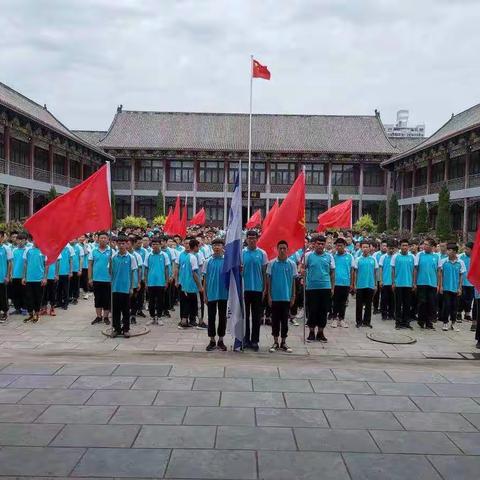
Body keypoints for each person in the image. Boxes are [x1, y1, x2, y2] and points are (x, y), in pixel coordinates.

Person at [266, 240, 297, 353]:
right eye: (280, 248)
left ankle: (283, 342)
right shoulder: (272, 263)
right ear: (277, 249)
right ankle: (275, 342)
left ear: (287, 249)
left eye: (284, 248)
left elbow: (293, 281)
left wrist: (293, 296)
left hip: (286, 297)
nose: (282, 250)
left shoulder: (292, 264)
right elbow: (268, 281)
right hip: (275, 297)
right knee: (275, 321)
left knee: (285, 321)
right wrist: (269, 295)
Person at [304, 235, 335, 342]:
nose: (320, 246)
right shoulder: (308, 256)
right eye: (318, 244)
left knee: (323, 311)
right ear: (314, 244)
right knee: (312, 310)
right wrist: (302, 271)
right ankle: (311, 332)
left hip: (325, 287)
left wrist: (332, 287)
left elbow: (332, 273)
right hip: (311, 288)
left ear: (325, 245)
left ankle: (320, 333)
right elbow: (302, 267)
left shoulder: (329, 257)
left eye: (322, 244)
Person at [242, 230, 268, 350]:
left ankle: (255, 340)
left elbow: (264, 272)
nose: (252, 240)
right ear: (246, 239)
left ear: (257, 239)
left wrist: (265, 289)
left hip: (258, 289)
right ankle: (245, 339)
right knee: (245, 316)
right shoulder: (242, 253)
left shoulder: (262, 253)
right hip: (245, 289)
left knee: (256, 316)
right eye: (249, 238)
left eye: (254, 238)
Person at [204, 238, 229, 351]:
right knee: (211, 318)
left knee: (223, 318)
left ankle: (221, 340)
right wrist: (205, 294)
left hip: (224, 294)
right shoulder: (207, 261)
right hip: (211, 294)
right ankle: (212, 340)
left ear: (222, 247)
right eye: (215, 245)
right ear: (212, 247)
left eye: (219, 245)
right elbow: (205, 280)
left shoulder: (227, 261)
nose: (217, 247)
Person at [111, 235, 137, 338]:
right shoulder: (113, 257)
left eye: (123, 243)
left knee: (126, 310)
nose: (121, 245)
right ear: (116, 244)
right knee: (116, 310)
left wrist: (131, 287)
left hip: (126, 288)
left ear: (127, 244)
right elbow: (110, 272)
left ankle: (126, 329)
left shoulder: (131, 257)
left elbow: (132, 273)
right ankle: (116, 329)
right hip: (115, 288)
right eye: (119, 244)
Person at [175, 238, 203, 329]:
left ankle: (185, 322)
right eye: (198, 246)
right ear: (195, 247)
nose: (199, 248)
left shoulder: (187, 256)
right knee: (195, 304)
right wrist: (200, 286)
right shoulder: (193, 257)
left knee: (188, 303)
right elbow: (194, 273)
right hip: (191, 285)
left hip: (185, 284)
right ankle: (198, 322)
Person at [438, 243, 465, 332]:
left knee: (455, 307)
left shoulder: (460, 262)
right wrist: (440, 285)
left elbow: (461, 276)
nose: (447, 252)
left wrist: (460, 288)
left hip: (456, 288)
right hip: (446, 288)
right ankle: (445, 322)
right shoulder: (443, 261)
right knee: (446, 305)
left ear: (455, 252)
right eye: (447, 250)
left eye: (449, 250)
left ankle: (453, 323)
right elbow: (440, 274)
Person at [144, 236, 170, 326]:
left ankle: (159, 317)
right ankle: (152, 317)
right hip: (151, 282)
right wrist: (146, 282)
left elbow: (167, 269)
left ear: (160, 245)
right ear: (151, 245)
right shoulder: (148, 255)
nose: (155, 246)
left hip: (161, 282)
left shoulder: (164, 255)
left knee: (160, 301)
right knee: (151, 301)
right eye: (154, 244)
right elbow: (146, 269)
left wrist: (167, 281)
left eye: (157, 244)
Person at [414, 238, 439, 330]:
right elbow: (416, 269)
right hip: (421, 283)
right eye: (424, 244)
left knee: (431, 303)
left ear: (432, 247)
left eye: (427, 244)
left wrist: (438, 284)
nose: (424, 246)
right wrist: (415, 282)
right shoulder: (419, 255)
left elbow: (439, 271)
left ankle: (429, 322)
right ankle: (421, 321)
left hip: (432, 283)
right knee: (422, 302)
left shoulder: (436, 256)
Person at [352, 240, 378, 328]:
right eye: (364, 247)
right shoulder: (358, 259)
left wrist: (375, 285)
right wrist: (354, 285)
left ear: (370, 248)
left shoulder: (373, 259)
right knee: (359, 304)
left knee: (368, 305)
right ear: (361, 248)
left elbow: (375, 273)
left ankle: (367, 322)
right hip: (360, 285)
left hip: (370, 285)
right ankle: (358, 322)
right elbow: (355, 272)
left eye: (367, 247)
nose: (365, 249)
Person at [88, 231, 112, 325]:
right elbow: (90, 265)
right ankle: (98, 316)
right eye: (101, 238)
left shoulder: (111, 251)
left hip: (108, 279)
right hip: (96, 279)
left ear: (108, 240)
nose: (103, 239)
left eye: (105, 238)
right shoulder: (93, 251)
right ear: (98, 239)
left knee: (107, 299)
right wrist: (90, 278)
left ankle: (106, 317)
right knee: (97, 298)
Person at [391, 239, 415, 329]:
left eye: (406, 245)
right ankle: (398, 322)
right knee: (398, 304)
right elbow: (392, 270)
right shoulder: (395, 256)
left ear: (408, 247)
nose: (405, 247)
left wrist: (413, 282)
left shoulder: (412, 257)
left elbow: (414, 270)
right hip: (398, 284)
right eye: (403, 245)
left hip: (408, 284)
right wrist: (393, 282)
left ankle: (406, 322)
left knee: (407, 304)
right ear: (400, 246)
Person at [22, 241, 47, 323]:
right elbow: (25, 264)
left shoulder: (44, 250)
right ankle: (30, 314)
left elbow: (46, 265)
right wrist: (24, 277)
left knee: (38, 297)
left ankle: (37, 314)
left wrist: (45, 278)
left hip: (39, 279)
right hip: (29, 279)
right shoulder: (28, 250)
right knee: (29, 297)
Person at [332, 237, 354, 328]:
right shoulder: (333, 256)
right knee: (335, 302)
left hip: (345, 283)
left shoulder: (350, 256)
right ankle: (334, 319)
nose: (339, 247)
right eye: (337, 246)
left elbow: (352, 270)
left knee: (343, 302)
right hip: (335, 283)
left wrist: (352, 283)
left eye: (341, 245)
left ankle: (342, 319)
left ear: (345, 246)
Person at [10, 233, 26, 315]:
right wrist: (11, 274)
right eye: (19, 240)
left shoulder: (27, 250)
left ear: (25, 241)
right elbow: (12, 263)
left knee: (24, 293)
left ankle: (24, 308)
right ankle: (17, 308)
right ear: (16, 241)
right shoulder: (14, 250)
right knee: (15, 293)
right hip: (15, 275)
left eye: (22, 240)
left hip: (23, 276)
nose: (20, 242)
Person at [379, 241, 395, 321]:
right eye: (390, 248)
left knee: (393, 300)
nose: (391, 250)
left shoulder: (396, 257)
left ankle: (391, 314)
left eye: (393, 248)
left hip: (393, 283)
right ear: (387, 248)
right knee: (384, 299)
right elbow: (380, 269)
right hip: (385, 281)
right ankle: (384, 314)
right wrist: (381, 280)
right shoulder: (383, 257)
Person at [459, 242, 474, 323]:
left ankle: (467, 314)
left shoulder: (476, 257)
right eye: (465, 249)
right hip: (462, 282)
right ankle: (459, 313)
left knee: (470, 299)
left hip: (472, 283)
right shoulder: (460, 257)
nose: (465, 250)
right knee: (461, 299)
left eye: (467, 249)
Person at [57, 243, 74, 310]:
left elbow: (71, 261)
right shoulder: (57, 248)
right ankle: (59, 302)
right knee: (58, 289)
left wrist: (70, 271)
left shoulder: (69, 248)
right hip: (57, 273)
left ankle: (65, 303)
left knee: (65, 289)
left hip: (66, 272)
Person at [0, 231, 12, 323]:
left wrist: (8, 276)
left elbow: (9, 263)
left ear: (3, 237)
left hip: (2, 277)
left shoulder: (6, 248)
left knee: (3, 296)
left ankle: (5, 312)